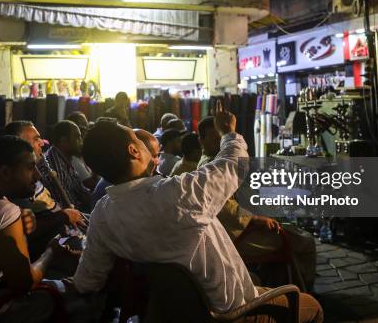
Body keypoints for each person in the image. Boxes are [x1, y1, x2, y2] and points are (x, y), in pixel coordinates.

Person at [72, 104, 323, 322]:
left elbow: (86, 281)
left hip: (174, 315)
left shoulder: (102, 215)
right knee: (310, 305)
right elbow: (233, 163)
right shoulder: (178, 194)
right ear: (134, 151)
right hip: (231, 314)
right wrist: (228, 131)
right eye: (136, 139)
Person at [0, 136, 97, 322]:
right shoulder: (2, 210)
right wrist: (51, 252)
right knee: (87, 291)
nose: (37, 175)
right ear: (5, 172)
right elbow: (24, 284)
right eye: (30, 167)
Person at [197, 117, 317, 290]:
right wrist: (254, 219)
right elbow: (223, 207)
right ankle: (305, 291)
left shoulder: (212, 161)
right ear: (201, 140)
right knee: (305, 241)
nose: (221, 143)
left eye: (222, 138)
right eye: (216, 139)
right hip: (236, 236)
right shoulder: (211, 165)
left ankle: (282, 283)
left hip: (234, 230)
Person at [4, 121, 86, 259]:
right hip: (58, 240)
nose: (42, 143)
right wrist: (63, 216)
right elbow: (28, 228)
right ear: (19, 144)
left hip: (67, 230)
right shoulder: (19, 181)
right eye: (36, 139)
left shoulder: (34, 171)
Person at [90, 129, 161, 210]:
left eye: (158, 155)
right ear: (134, 151)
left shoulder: (123, 179)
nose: (158, 162)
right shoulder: (120, 189)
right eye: (154, 156)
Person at [45, 120, 91, 212]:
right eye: (77, 137)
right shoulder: (54, 164)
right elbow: (66, 206)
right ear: (64, 141)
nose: (81, 142)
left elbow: (82, 193)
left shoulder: (66, 160)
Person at [66, 112, 98, 191]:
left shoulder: (82, 154)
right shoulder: (72, 159)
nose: (86, 128)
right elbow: (92, 185)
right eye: (83, 125)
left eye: (86, 125)